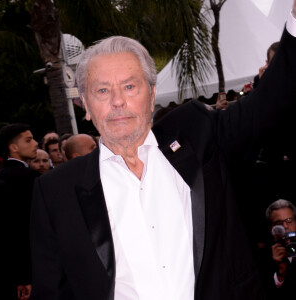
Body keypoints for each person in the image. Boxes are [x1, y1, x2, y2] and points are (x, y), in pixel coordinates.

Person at [30, 4, 296, 300]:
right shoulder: (56, 190)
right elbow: (52, 292)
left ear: (152, 94)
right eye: (102, 90)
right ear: (86, 106)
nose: (118, 101)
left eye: (130, 86)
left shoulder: (198, 135)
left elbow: (271, 100)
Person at [0, 123, 39, 300]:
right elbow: (20, 229)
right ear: (13, 147)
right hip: (32, 264)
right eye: (28, 140)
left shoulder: (0, 177)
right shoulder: (30, 179)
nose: (35, 143)